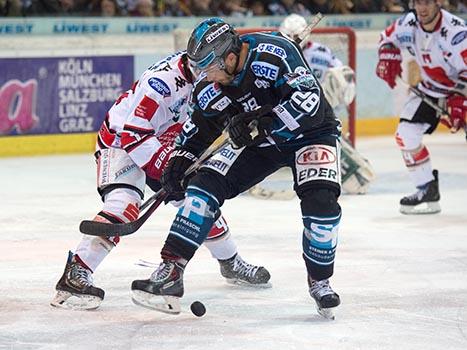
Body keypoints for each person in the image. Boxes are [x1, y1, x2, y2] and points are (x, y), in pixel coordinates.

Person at [131, 17, 342, 318]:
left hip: (311, 133)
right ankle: (171, 270)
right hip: (259, 142)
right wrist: (179, 161)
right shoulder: (210, 84)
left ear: (230, 57)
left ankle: (320, 280)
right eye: (198, 67)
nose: (204, 75)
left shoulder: (275, 51)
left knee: (321, 207)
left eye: (208, 66)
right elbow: (198, 130)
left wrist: (265, 120)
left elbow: (311, 102)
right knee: (203, 186)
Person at [50, 51, 271, 310]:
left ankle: (230, 262)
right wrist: (168, 169)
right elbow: (135, 134)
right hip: (122, 141)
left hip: (165, 138)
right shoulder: (162, 83)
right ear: (196, 66)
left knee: (197, 199)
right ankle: (76, 273)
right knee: (123, 205)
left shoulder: (210, 71)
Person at [376, 0, 466, 214]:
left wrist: (460, 99)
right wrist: (387, 53)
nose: (421, 8)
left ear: (439, 3)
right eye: (417, 2)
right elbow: (387, 37)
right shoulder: (409, 23)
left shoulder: (456, 32)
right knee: (405, 135)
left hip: (460, 91)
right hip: (430, 90)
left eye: (427, 2)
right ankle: (427, 189)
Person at [279, 13, 375, 195]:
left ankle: (346, 173)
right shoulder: (313, 52)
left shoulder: (312, 53)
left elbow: (343, 79)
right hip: (303, 112)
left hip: (312, 112)